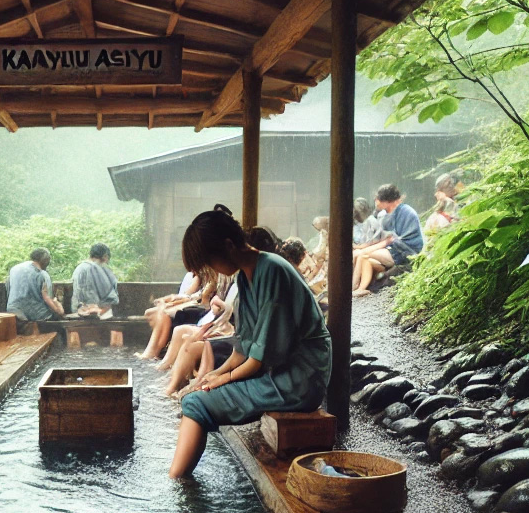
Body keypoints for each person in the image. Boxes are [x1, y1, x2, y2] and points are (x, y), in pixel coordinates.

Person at [169, 208, 331, 478]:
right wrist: (213, 375)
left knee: (196, 403)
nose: (212, 272)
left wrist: (222, 380)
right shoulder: (246, 277)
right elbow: (242, 350)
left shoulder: (273, 271)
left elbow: (257, 360)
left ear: (229, 246)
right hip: (280, 375)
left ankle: (177, 484)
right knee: (196, 392)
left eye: (210, 262)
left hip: (300, 380)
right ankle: (178, 478)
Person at [352, 184, 423, 296]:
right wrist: (363, 247)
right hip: (389, 248)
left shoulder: (406, 212)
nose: (375, 201)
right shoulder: (383, 215)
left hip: (404, 251)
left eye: (378, 198)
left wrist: (366, 249)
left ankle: (353, 287)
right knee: (365, 259)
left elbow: (393, 239)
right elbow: (381, 238)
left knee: (361, 255)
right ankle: (361, 288)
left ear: (387, 200)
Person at [5, 248, 64, 321]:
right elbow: (47, 298)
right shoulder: (42, 274)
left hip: (13, 309)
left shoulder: (15, 269)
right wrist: (59, 312)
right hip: (35, 314)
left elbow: (8, 286)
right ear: (45, 261)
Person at [71, 243, 119, 316]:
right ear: (105, 257)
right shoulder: (100, 270)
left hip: (77, 312)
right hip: (95, 315)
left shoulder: (79, 268)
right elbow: (112, 299)